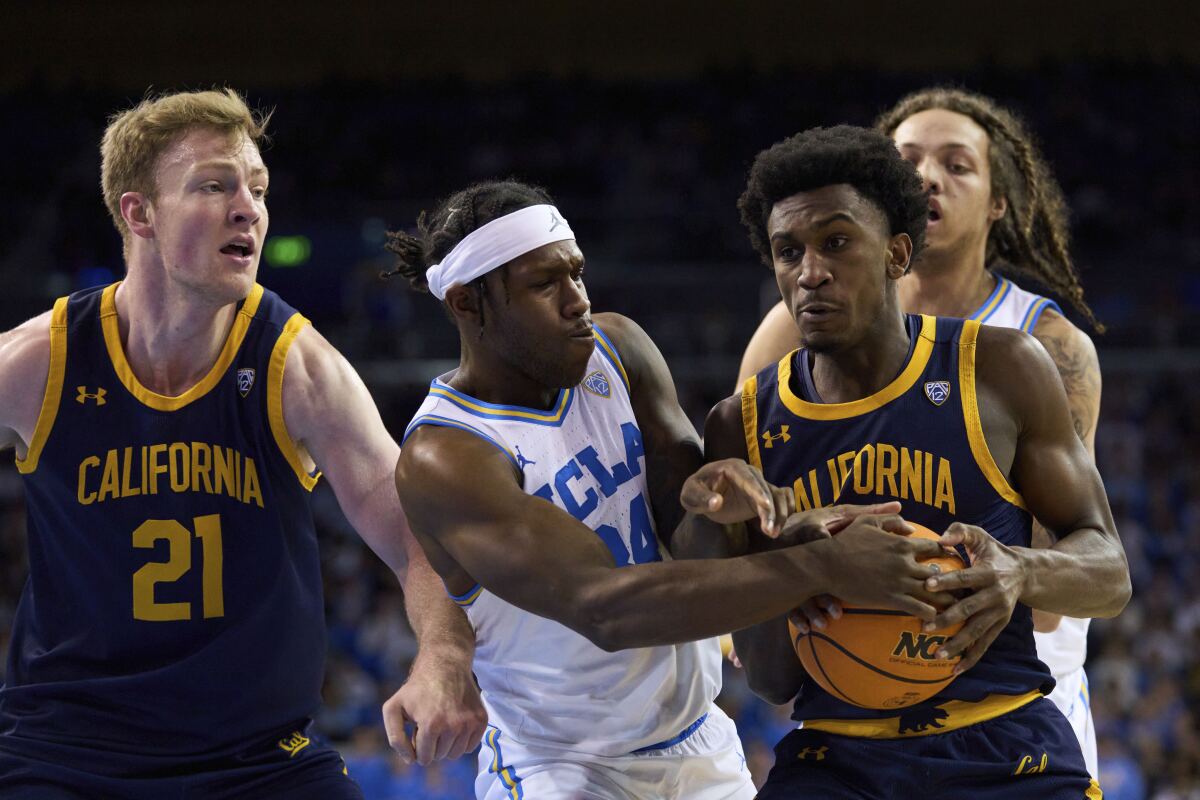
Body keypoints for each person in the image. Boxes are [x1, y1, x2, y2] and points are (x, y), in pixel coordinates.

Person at [386, 179, 959, 800]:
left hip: (698, 740)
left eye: (576, 275)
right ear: (469, 305)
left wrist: (719, 507)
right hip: (564, 767)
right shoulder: (447, 455)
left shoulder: (617, 350)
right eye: (544, 284)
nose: (576, 300)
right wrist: (825, 564)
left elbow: (692, 546)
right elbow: (605, 608)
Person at [0, 89, 485, 799]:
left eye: (256, 188)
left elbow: (418, 538)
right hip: (62, 752)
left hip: (258, 759)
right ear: (139, 214)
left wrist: (442, 659)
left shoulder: (298, 367)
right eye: (214, 185)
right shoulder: (42, 361)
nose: (248, 208)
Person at [714, 124, 1128, 797]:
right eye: (789, 252)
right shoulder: (743, 425)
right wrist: (786, 566)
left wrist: (1019, 570)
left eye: (837, 243)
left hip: (1003, 736)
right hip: (838, 755)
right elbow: (770, 680)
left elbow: (1109, 574)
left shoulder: (1002, 368)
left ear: (898, 252)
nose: (810, 271)